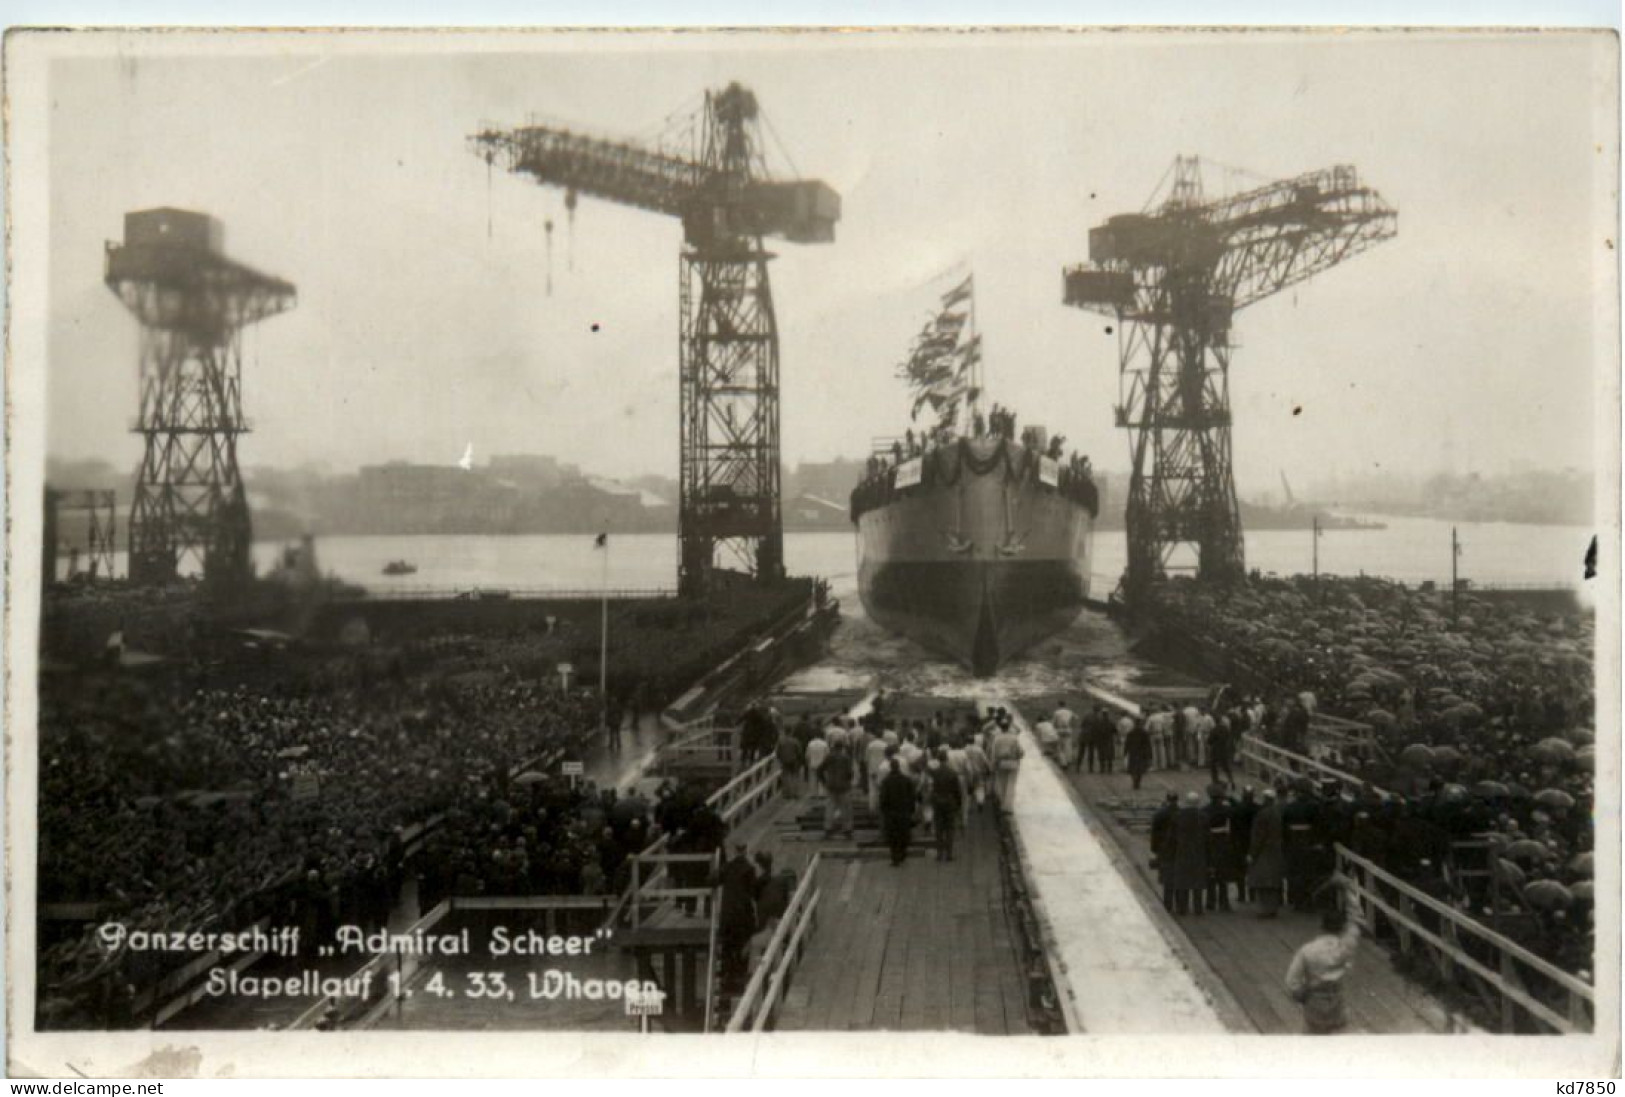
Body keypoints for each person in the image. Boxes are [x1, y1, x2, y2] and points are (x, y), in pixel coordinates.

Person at [1285, 873, 1363, 1034]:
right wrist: (1348, 890)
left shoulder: (1307, 950)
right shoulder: (1345, 947)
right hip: (1337, 1002)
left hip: (1314, 1002)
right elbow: (1355, 919)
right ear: (1341, 928)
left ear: (1322, 926)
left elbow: (1291, 982)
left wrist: (1302, 996)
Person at [1248, 788, 1286, 918]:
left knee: (1262, 881)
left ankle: (1264, 909)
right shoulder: (1277, 812)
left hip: (1264, 850)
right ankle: (1273, 907)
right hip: (1276, 849)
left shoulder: (1262, 814)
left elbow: (1258, 836)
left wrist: (1252, 852)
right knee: (1273, 881)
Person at [878, 759, 918, 866]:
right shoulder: (906, 780)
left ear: (891, 767)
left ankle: (895, 857)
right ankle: (903, 853)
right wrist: (912, 809)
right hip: (904, 811)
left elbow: (883, 798)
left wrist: (883, 809)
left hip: (891, 812)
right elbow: (912, 796)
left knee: (893, 836)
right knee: (903, 834)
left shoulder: (886, 781)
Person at [929, 748, 965, 861]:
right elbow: (957, 791)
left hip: (938, 802)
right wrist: (959, 804)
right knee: (950, 828)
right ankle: (949, 854)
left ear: (938, 759)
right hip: (950, 802)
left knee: (939, 828)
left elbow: (932, 789)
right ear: (947, 759)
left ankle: (939, 854)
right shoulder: (953, 773)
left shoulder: (935, 773)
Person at [821, 742, 855, 838]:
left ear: (834, 747)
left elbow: (820, 769)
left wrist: (824, 781)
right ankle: (847, 829)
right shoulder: (846, 758)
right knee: (846, 808)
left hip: (831, 785)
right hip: (844, 786)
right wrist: (848, 780)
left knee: (830, 808)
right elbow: (850, 772)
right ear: (842, 748)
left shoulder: (829, 757)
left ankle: (828, 828)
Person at [990, 719, 1025, 812]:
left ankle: (1002, 804)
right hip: (1013, 762)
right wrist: (1019, 756)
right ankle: (1008, 807)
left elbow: (993, 753)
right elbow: (1020, 751)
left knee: (1002, 784)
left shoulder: (996, 738)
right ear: (1008, 727)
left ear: (1001, 728)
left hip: (1001, 763)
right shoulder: (1014, 738)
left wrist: (993, 764)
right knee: (1011, 785)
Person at [775, 729, 805, 799]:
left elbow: (778, 752)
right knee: (795, 776)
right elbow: (799, 751)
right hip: (794, 760)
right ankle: (795, 793)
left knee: (785, 777)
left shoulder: (781, 741)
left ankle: (787, 794)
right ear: (791, 732)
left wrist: (780, 759)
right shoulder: (795, 741)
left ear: (785, 732)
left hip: (784, 760)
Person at [1124, 718, 1152, 791]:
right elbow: (1148, 744)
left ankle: (1134, 781)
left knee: (1133, 768)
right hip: (1141, 753)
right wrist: (1149, 755)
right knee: (1140, 769)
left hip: (1133, 752)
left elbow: (1127, 743)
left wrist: (1125, 752)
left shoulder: (1130, 733)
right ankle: (1137, 782)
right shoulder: (1144, 733)